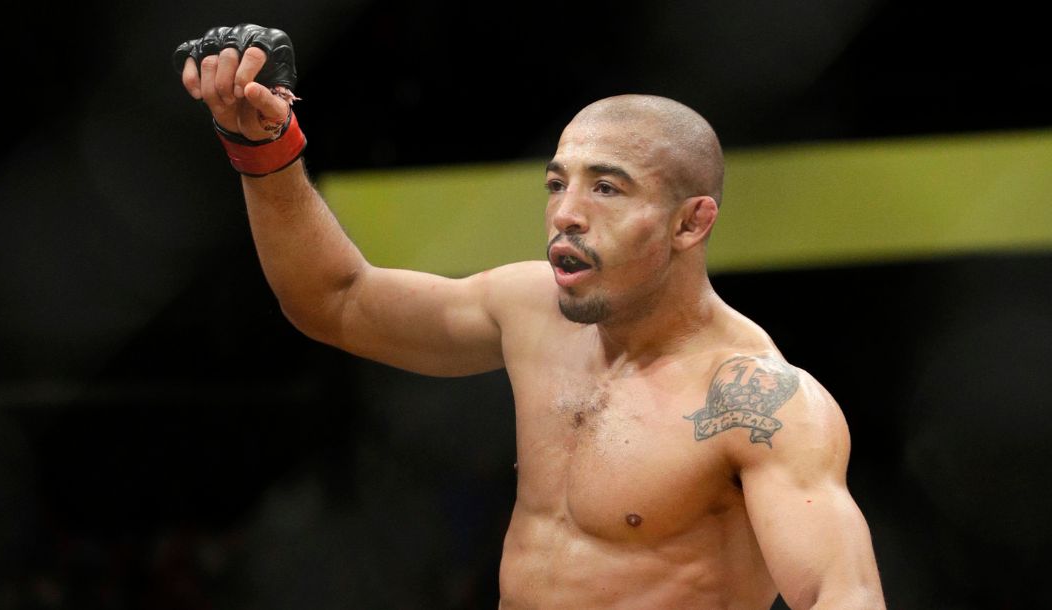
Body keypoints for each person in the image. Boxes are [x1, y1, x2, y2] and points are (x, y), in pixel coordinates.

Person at [176, 24, 887, 609]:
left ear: (690, 223)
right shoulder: (532, 311)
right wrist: (263, 149)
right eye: (558, 182)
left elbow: (842, 593)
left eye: (607, 187)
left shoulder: (757, 402)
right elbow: (335, 303)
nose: (566, 213)